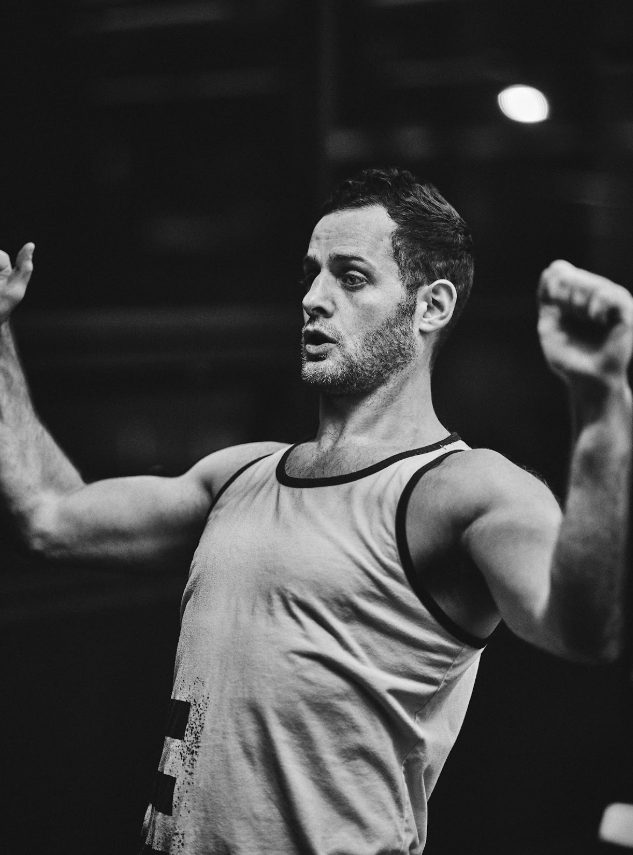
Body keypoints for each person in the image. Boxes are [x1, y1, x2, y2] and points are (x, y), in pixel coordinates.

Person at [1, 168, 632, 855]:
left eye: (350, 277)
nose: (311, 298)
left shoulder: (460, 489)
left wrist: (599, 404)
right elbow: (49, 514)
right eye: (309, 273)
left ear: (431, 306)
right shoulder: (236, 474)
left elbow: (580, 628)